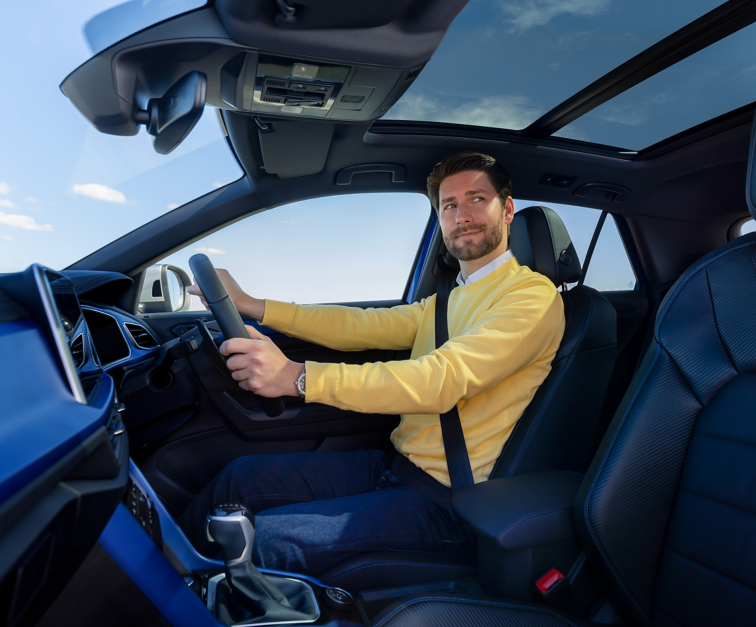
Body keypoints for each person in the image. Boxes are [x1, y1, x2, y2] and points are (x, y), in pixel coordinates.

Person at [178, 152, 566, 575]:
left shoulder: (531, 297)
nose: (462, 215)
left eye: (477, 199)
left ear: (506, 210)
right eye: (449, 205)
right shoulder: (446, 301)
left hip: (450, 501)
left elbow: (442, 379)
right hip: (392, 466)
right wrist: (254, 305)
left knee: (264, 542)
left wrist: (298, 378)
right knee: (240, 478)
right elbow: (361, 325)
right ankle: (159, 577)